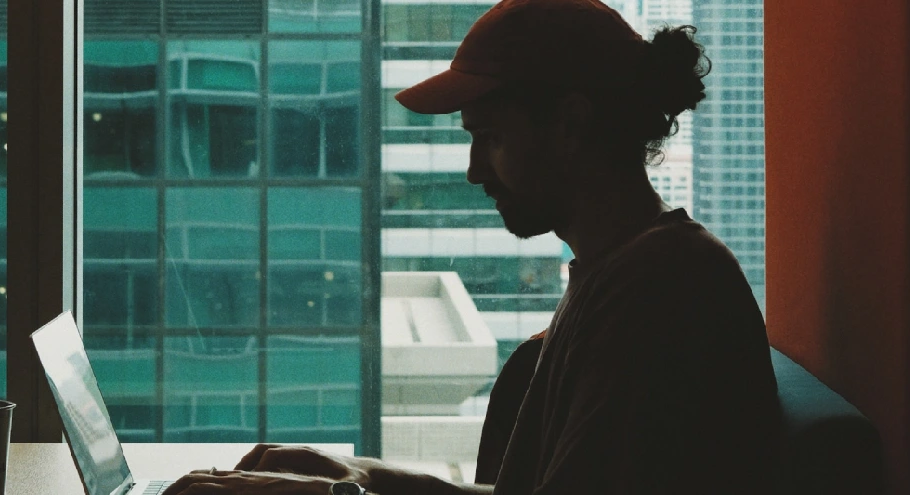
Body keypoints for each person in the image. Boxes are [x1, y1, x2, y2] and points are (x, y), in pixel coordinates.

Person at [165, 0, 780, 493]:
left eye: (490, 137)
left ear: (569, 124)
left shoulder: (657, 293)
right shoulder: (630, 269)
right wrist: (363, 476)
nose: (472, 170)